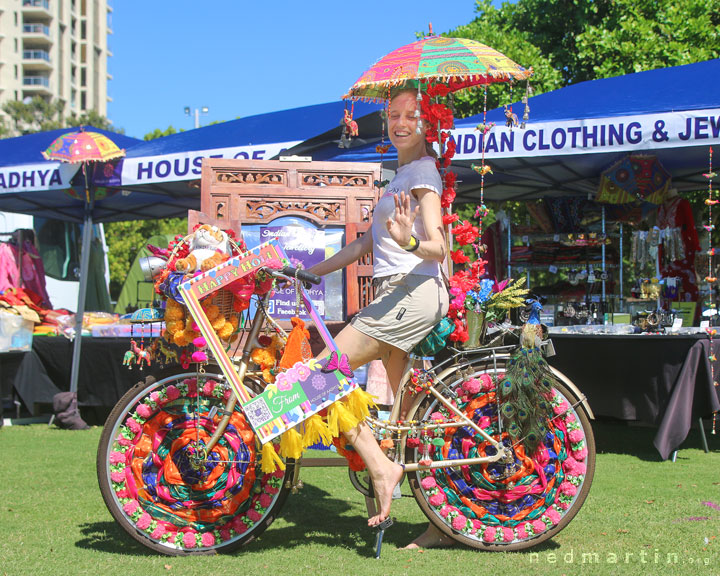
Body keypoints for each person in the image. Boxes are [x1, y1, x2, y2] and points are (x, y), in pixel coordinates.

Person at [306, 88, 449, 534]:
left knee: (316, 376)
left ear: (430, 125)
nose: (400, 123)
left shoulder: (424, 174)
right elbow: (366, 244)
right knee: (406, 419)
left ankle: (382, 468)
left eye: (412, 116)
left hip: (412, 292)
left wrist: (409, 239)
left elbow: (439, 246)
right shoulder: (400, 175)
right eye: (393, 115)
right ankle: (437, 519)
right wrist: (311, 271)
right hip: (395, 293)